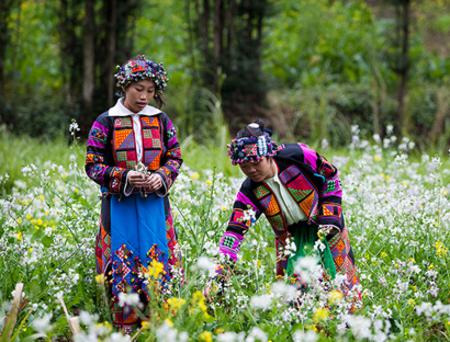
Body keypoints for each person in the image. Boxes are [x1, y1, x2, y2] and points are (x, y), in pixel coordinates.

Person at [85, 55, 183, 330]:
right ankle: (124, 324)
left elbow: (175, 157)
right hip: (118, 205)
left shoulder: (161, 121)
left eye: (151, 91)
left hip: (155, 204)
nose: (144, 96)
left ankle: (160, 322)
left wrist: (161, 177)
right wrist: (125, 176)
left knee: (158, 256)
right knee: (123, 257)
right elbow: (92, 164)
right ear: (125, 86)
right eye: (139, 89)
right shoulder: (106, 122)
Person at [215, 120, 360, 297]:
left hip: (326, 228)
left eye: (256, 162)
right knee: (294, 296)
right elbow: (235, 231)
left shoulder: (297, 156)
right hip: (290, 242)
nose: (251, 170)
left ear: (268, 155)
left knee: (342, 284)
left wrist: (329, 216)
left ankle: (349, 323)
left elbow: (330, 176)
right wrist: (220, 271)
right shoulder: (250, 191)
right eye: (245, 167)